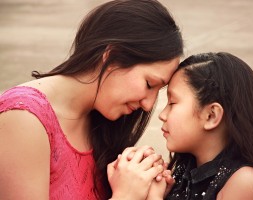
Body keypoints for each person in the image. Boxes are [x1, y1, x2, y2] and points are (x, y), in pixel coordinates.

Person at [0, 0, 183, 199]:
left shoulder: (101, 121)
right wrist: (125, 196)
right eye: (149, 84)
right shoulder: (24, 119)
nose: (148, 105)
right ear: (112, 57)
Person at [148, 52, 253, 199]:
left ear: (211, 115)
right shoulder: (186, 169)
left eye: (172, 103)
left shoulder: (244, 182)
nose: (162, 114)